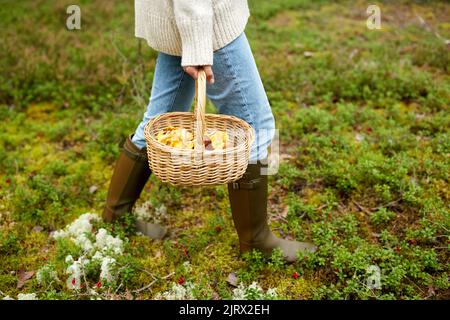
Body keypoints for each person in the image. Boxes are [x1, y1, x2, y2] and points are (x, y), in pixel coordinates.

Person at [103, 0, 316, 262]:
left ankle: (116, 217)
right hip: (204, 20)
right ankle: (256, 241)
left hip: (182, 17)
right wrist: (198, 43)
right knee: (255, 127)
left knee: (160, 121)